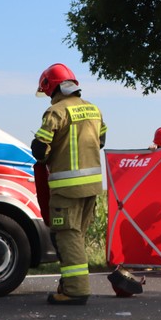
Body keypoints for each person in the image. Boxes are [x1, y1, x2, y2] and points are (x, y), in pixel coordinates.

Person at [33, 63, 107, 306]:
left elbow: (41, 150)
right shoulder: (94, 110)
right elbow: (102, 140)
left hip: (66, 188)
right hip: (92, 187)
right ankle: (68, 283)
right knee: (78, 236)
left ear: (52, 88)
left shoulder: (56, 112)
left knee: (67, 236)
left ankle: (75, 291)